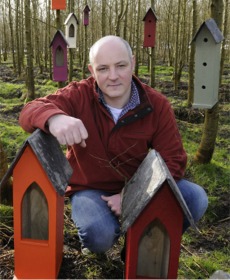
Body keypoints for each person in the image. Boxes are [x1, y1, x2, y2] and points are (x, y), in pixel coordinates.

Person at [19, 35, 208, 255]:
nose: (113, 76)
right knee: (98, 236)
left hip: (141, 184)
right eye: (103, 69)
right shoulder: (78, 95)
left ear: (133, 63)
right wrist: (54, 118)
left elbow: (173, 160)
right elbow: (28, 112)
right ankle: (100, 240)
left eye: (121, 66)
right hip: (90, 189)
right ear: (91, 70)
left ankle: (139, 247)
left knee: (195, 198)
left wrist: (132, 197)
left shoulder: (157, 105)